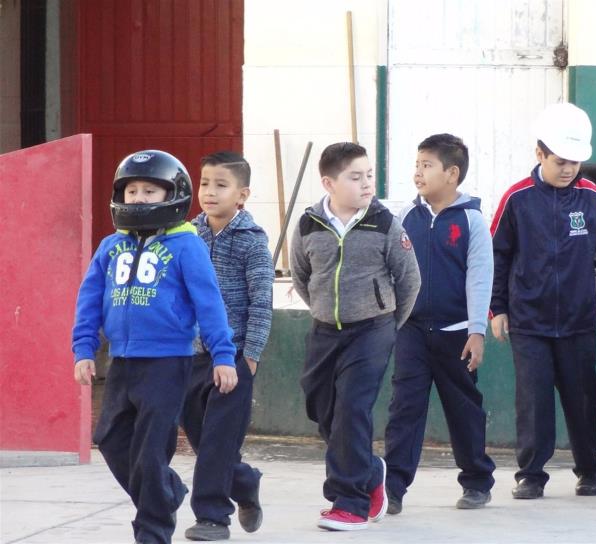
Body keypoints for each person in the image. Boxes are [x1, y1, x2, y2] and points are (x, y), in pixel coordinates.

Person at [72, 150, 238, 544]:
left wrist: (223, 355)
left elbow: (209, 303)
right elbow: (89, 299)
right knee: (111, 440)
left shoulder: (187, 246)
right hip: (123, 362)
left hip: (167, 362)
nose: (140, 198)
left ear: (173, 195)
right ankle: (166, 493)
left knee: (150, 451)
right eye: (132, 190)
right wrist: (83, 349)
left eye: (150, 190)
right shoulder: (110, 247)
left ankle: (152, 531)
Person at [490, 102, 596, 499]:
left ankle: (589, 471)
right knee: (534, 401)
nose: (569, 169)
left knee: (583, 399)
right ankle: (531, 475)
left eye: (576, 162)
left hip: (578, 321)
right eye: (561, 161)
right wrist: (497, 308)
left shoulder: (592, 197)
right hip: (529, 322)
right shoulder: (517, 199)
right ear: (539, 153)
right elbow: (497, 255)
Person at [290, 142, 420, 531]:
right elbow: (301, 275)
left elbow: (409, 280)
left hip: (373, 330)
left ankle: (349, 501)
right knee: (322, 408)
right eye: (355, 177)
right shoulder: (309, 224)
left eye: (368, 175)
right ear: (329, 182)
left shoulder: (385, 223)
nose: (366, 184)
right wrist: (323, 308)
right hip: (325, 330)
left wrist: (387, 324)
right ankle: (368, 470)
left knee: (351, 410)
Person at [385, 133, 497, 513]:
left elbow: (480, 277)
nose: (418, 172)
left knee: (464, 410)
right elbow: (392, 271)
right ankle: (393, 488)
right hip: (412, 332)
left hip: (456, 335)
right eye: (417, 164)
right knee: (404, 409)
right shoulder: (404, 217)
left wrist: (476, 331)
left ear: (452, 174)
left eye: (427, 165)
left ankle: (477, 481)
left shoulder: (472, 221)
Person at [181, 151, 274, 541]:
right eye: (204, 183)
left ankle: (212, 518)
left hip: (233, 358)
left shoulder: (251, 241)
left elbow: (261, 302)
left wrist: (249, 355)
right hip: (190, 358)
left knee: (219, 441)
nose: (209, 192)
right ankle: (245, 481)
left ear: (243, 195)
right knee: (205, 444)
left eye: (221, 185)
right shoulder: (186, 235)